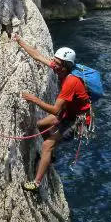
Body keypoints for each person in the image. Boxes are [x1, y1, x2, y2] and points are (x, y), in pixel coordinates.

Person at [12, 34, 92, 190]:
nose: (53, 65)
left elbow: (55, 109)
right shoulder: (61, 69)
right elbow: (38, 56)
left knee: (47, 145)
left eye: (56, 63)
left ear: (65, 66)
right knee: (41, 124)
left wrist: (34, 99)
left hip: (78, 121)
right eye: (54, 62)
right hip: (68, 113)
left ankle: (36, 184)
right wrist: (21, 42)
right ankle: (50, 156)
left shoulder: (71, 81)